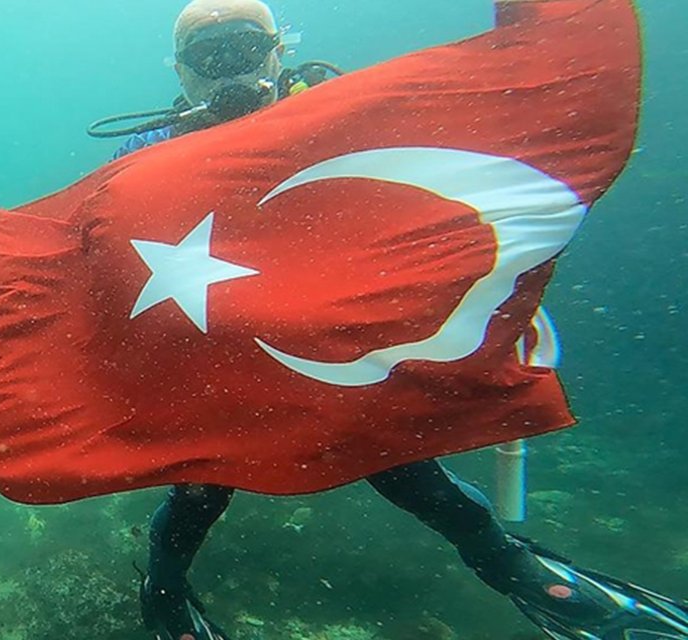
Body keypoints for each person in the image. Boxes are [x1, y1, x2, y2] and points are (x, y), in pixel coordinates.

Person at [108, 2, 688, 640]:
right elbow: (100, 250)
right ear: (182, 75)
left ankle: (507, 563)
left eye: (242, 49)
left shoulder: (347, 110)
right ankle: (163, 587)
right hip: (220, 351)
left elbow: (422, 195)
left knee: (397, 456)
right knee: (202, 485)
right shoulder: (148, 152)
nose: (226, 72)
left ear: (278, 49)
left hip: (337, 336)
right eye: (206, 57)